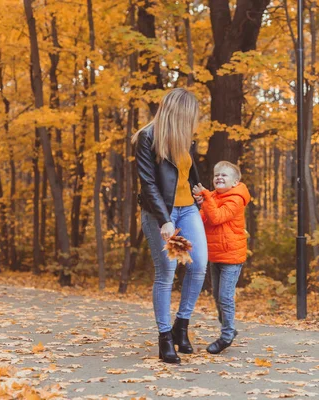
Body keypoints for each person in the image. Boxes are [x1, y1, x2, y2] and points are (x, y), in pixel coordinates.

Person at [132, 88, 208, 364]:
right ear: (177, 113)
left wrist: (201, 193)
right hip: (159, 213)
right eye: (189, 116)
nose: (192, 122)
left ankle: (181, 326)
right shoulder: (147, 137)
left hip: (188, 209)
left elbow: (186, 172)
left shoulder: (183, 137)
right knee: (167, 271)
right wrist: (165, 219)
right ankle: (165, 337)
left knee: (198, 265)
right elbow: (148, 183)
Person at [192, 161, 250, 354]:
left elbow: (217, 217)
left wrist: (207, 198)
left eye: (224, 175)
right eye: (217, 174)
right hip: (215, 255)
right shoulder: (214, 197)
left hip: (232, 256)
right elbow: (203, 218)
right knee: (217, 297)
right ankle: (229, 327)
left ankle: (226, 335)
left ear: (235, 182)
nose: (219, 177)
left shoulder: (236, 198)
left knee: (225, 297)